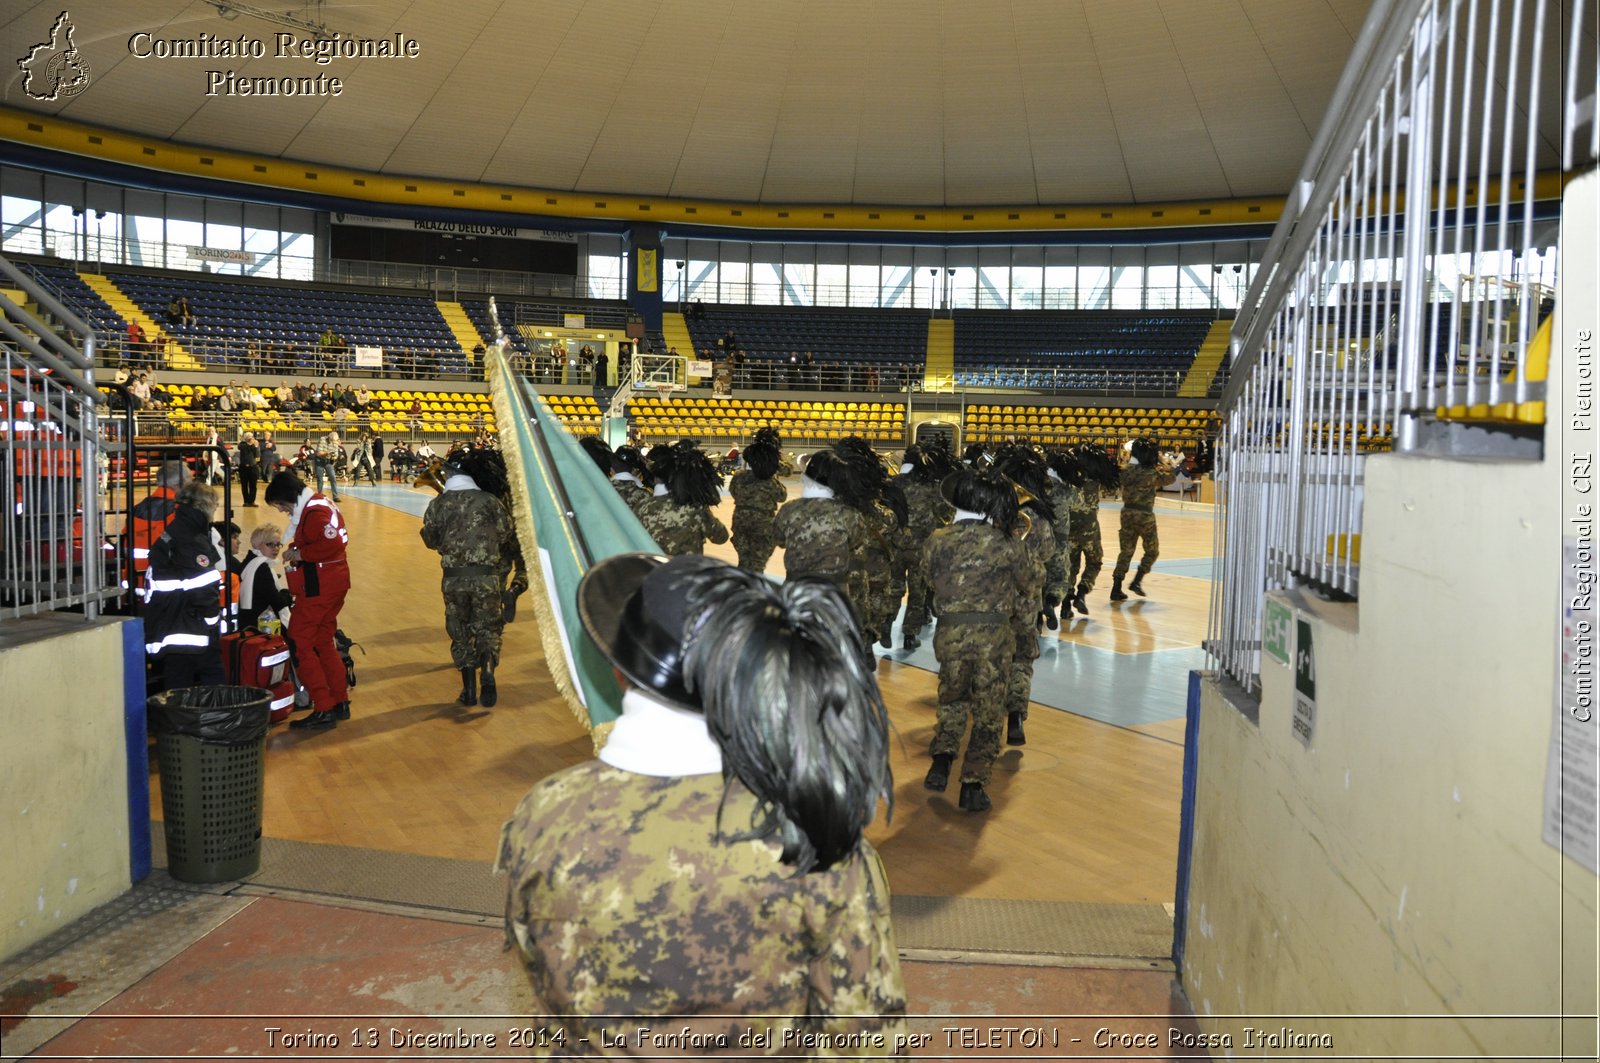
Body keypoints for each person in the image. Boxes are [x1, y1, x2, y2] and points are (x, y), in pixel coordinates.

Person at [499, 553, 906, 1049]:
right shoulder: (815, 846)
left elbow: (538, 970)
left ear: (619, 673)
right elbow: (865, 1040)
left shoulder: (544, 815)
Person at [919, 468, 1033, 812]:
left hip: (950, 633)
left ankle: (941, 760)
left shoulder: (937, 538)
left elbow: (926, 577)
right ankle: (972, 783)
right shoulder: (1005, 542)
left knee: (952, 698)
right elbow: (1029, 579)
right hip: (994, 638)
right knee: (987, 712)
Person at [420, 447, 515, 708]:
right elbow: (506, 533)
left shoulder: (437, 504)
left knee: (460, 632)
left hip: (453, 578)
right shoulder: (489, 501)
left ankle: (469, 689)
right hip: (487, 577)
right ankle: (487, 672)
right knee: (487, 629)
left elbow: (431, 540)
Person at [265, 470, 351, 731]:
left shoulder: (314, 512)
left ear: (288, 498)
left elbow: (332, 542)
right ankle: (339, 701)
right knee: (323, 641)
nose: (281, 510)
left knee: (301, 641)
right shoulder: (319, 503)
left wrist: (300, 553)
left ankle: (323, 707)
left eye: (280, 504)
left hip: (319, 586)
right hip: (333, 582)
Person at [142, 479, 225, 691]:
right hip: (190, 625)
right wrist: (212, 622)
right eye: (215, 506)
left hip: (170, 621)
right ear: (205, 506)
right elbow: (204, 589)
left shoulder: (176, 529)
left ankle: (179, 723)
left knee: (177, 684)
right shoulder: (192, 539)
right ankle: (214, 721)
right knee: (213, 679)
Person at [891, 443, 955, 651]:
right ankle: (910, 635)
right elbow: (943, 511)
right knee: (917, 592)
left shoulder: (893, 483)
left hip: (896, 543)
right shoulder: (930, 485)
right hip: (921, 546)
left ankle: (884, 625)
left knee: (894, 587)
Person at [1110, 437, 1177, 601]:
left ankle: (1116, 588)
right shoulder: (1152, 473)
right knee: (1152, 551)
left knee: (1126, 552)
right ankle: (1137, 581)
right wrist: (1163, 460)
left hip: (1127, 513)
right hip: (1145, 516)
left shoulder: (1125, 471)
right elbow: (1171, 477)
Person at [636, 442, 729, 556]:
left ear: (653, 476)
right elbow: (721, 537)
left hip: (654, 571)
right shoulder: (695, 508)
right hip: (687, 571)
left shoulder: (641, 507)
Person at [727, 427, 786, 573]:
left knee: (744, 561)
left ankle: (740, 588)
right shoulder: (769, 481)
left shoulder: (739, 476)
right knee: (758, 565)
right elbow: (782, 496)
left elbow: (733, 492)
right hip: (763, 523)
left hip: (740, 520)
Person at [239, 523, 293, 625]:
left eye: (278, 544)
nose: (275, 548)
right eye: (270, 544)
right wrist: (287, 593)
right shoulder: (261, 568)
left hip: (247, 620)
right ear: (258, 544)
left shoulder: (249, 561)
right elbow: (277, 603)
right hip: (259, 625)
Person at [313, 431, 341, 501]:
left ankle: (335, 496)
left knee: (333, 477)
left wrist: (334, 457)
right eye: (332, 440)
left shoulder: (335, 443)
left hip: (328, 461)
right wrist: (328, 453)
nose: (333, 442)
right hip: (319, 460)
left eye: (335, 441)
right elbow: (319, 453)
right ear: (329, 438)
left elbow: (336, 455)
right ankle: (320, 495)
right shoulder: (322, 439)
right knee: (320, 478)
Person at [237, 432, 261, 507]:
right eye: (249, 437)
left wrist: (256, 447)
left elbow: (257, 455)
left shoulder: (255, 445)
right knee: (244, 485)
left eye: (251, 437)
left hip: (253, 467)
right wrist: (250, 444)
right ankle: (246, 501)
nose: (251, 438)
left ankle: (252, 501)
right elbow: (242, 448)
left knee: (253, 485)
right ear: (246, 438)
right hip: (243, 468)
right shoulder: (242, 444)